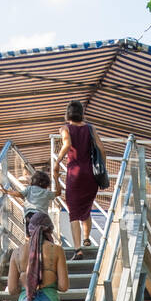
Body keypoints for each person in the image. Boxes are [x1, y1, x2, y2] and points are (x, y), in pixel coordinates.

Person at [55, 100, 104, 256]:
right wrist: (102, 168)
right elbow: (101, 149)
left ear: (68, 113)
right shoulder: (91, 128)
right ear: (81, 113)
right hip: (90, 175)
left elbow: (67, 144)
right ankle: (87, 238)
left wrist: (57, 161)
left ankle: (78, 249)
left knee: (74, 212)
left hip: (74, 173)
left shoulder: (65, 128)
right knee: (86, 208)